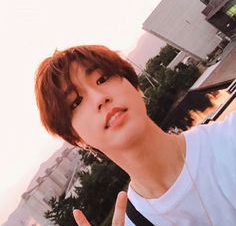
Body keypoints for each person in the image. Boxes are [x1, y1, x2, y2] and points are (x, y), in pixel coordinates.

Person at [35, 45, 236, 226]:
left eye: (102, 79)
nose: (100, 98)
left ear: (136, 86)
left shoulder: (228, 138)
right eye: (76, 102)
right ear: (77, 139)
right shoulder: (132, 222)